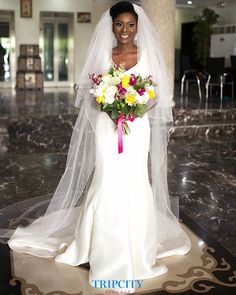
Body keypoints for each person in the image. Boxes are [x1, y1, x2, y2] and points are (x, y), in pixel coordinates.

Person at [1, 1, 191, 294]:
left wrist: (137, 107)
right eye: (119, 24)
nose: (125, 30)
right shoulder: (104, 53)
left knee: (135, 181)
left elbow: (155, 93)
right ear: (112, 25)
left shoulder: (146, 54)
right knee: (106, 181)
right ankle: (102, 249)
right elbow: (91, 93)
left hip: (136, 128)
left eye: (130, 24)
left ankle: (136, 248)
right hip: (107, 127)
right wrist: (109, 102)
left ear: (137, 27)